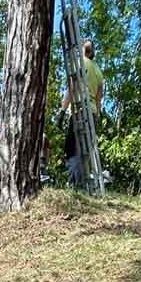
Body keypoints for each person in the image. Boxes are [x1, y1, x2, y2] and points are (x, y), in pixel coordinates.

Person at [60, 40, 105, 188]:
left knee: (71, 147)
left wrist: (62, 111)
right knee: (86, 149)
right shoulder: (98, 72)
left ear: (82, 50)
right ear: (93, 52)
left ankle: (74, 182)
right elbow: (98, 100)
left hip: (79, 110)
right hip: (91, 112)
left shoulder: (79, 64)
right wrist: (97, 117)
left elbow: (71, 90)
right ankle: (85, 181)